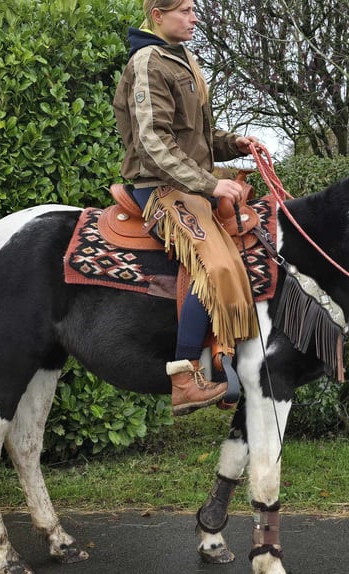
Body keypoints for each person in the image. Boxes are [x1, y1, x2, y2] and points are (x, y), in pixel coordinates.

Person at [113, 0, 261, 415]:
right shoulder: (147, 62)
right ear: (157, 16)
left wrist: (234, 144)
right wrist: (213, 183)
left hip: (191, 185)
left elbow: (197, 136)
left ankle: (227, 359)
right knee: (211, 265)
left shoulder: (184, 60)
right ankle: (183, 379)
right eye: (185, 10)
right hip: (159, 187)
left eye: (194, 10)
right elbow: (153, 143)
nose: (194, 18)